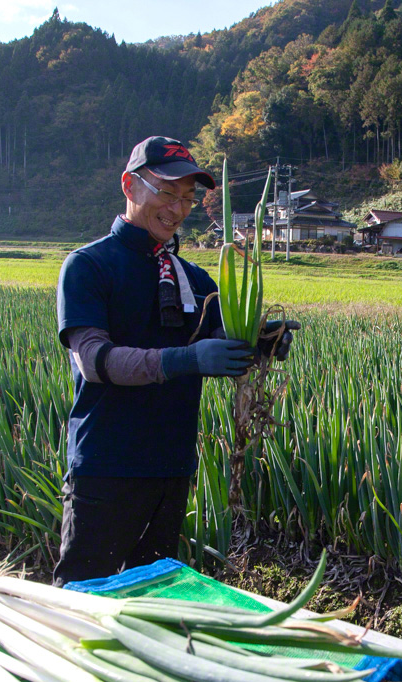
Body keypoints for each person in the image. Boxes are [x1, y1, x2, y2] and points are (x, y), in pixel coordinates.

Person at [53, 136, 295, 586]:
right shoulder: (89, 266)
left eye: (187, 198)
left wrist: (263, 342)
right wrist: (187, 360)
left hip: (171, 467)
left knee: (150, 597)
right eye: (167, 193)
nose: (178, 209)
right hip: (108, 467)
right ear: (130, 185)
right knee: (82, 598)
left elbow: (226, 340)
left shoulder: (197, 279)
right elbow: (94, 360)